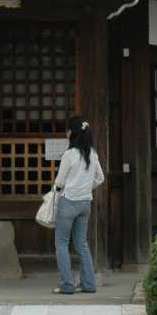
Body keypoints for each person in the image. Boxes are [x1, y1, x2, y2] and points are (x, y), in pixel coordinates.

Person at [52, 115, 105, 294]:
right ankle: (88, 284)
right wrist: (86, 188)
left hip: (69, 202)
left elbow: (59, 182)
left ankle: (67, 285)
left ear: (71, 133)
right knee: (82, 243)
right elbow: (100, 178)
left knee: (61, 243)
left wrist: (65, 188)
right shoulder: (93, 153)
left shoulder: (69, 154)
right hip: (85, 203)